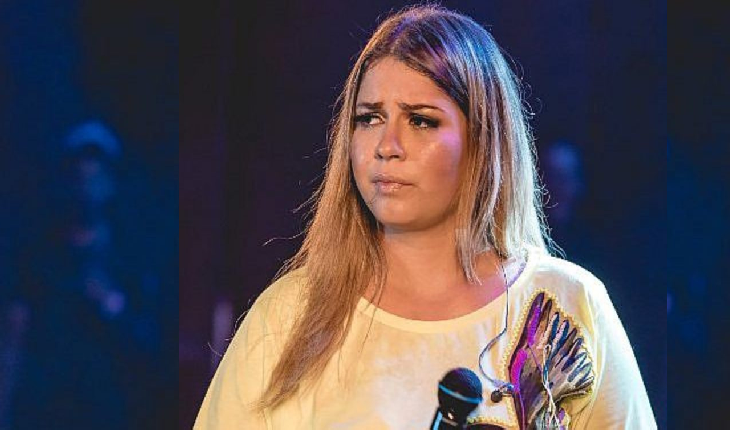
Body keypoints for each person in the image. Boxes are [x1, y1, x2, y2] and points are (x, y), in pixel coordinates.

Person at [195, 5, 655, 429]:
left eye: (420, 120)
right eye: (369, 118)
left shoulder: (567, 306)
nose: (387, 146)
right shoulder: (288, 315)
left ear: (483, 140)